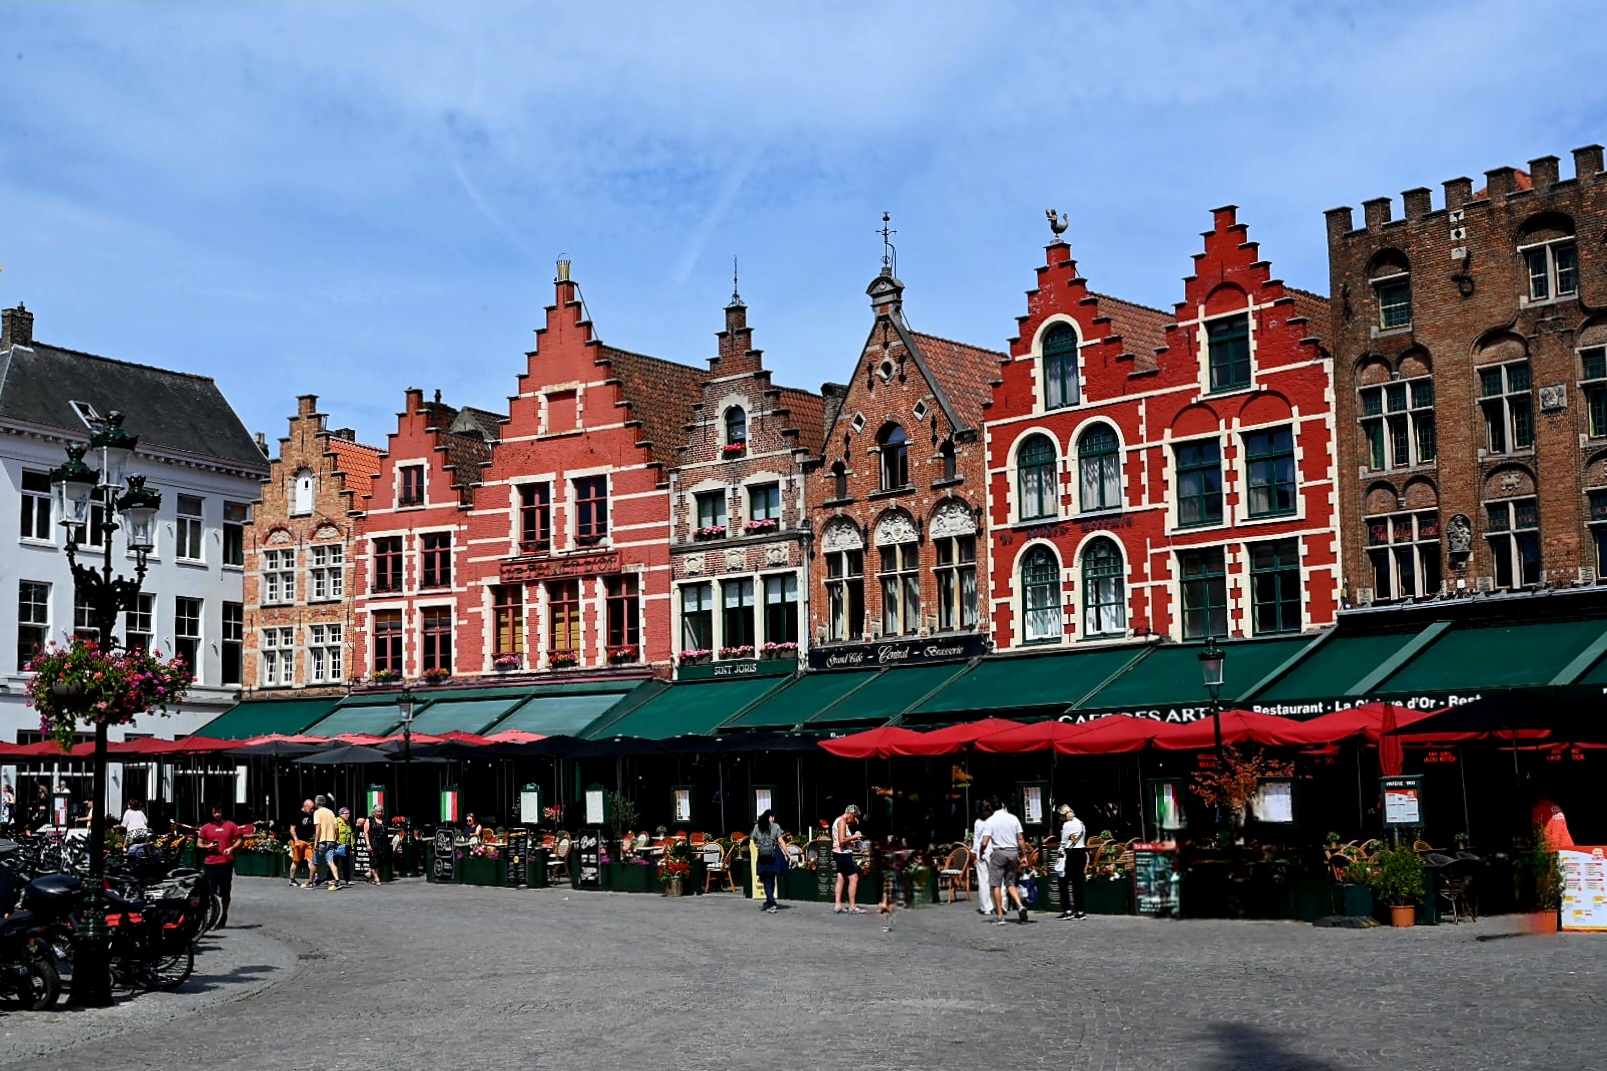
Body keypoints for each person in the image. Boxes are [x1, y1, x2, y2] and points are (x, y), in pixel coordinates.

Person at [979, 797, 1028, 925]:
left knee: (996, 885)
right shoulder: (1013, 818)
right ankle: (1020, 905)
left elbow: (984, 842)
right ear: (1002, 805)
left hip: (999, 852)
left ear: (990, 807)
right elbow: (1020, 838)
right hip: (1013, 852)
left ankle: (1000, 916)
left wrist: (981, 852)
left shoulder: (990, 821)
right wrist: (1024, 855)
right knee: (1010, 883)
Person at [198, 804, 241, 928]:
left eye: (219, 812)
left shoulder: (231, 825)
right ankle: (212, 916)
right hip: (210, 863)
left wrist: (231, 848)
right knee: (210, 892)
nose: (217, 815)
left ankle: (224, 914)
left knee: (225, 891)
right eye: (215, 812)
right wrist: (207, 846)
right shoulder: (206, 827)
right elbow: (199, 843)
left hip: (225, 862)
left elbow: (239, 840)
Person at [831, 804, 867, 915]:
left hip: (838, 853)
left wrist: (853, 843)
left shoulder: (838, 820)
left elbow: (841, 840)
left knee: (841, 878)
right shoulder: (842, 821)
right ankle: (852, 906)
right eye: (854, 816)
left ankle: (837, 905)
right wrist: (855, 836)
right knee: (854, 878)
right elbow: (842, 840)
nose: (854, 819)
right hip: (843, 854)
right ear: (851, 814)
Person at [1055, 804, 1087, 921]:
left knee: (1063, 882)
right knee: (1078, 883)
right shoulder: (1081, 823)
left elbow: (1063, 842)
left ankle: (1068, 910)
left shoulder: (1066, 825)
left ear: (1063, 815)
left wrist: (1059, 854)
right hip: (1081, 852)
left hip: (1070, 854)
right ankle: (1080, 911)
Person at [751, 809, 787, 913]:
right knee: (772, 879)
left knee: (766, 880)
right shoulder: (775, 826)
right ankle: (772, 903)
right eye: (773, 817)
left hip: (762, 856)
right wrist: (787, 852)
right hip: (774, 856)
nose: (773, 819)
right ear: (770, 817)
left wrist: (760, 845)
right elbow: (780, 840)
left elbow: (753, 838)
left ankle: (769, 901)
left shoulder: (757, 826)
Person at [310, 794, 342, 890]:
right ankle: (337, 881)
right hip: (331, 840)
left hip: (322, 841)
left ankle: (310, 882)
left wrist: (316, 842)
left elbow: (318, 828)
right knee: (330, 862)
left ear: (316, 803)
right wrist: (337, 838)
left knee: (315, 862)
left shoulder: (317, 813)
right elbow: (336, 827)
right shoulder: (331, 812)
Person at [972, 799, 994, 916]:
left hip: (982, 851)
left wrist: (975, 854)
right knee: (998, 879)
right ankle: (1001, 904)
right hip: (993, 850)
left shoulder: (978, 822)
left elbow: (976, 840)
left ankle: (986, 907)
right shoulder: (994, 820)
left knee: (983, 880)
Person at [288, 799, 316, 887]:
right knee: (296, 861)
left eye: (313, 808)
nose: (312, 810)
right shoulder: (297, 815)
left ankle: (313, 878)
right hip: (298, 841)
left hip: (307, 841)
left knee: (310, 860)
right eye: (311, 808)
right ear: (305, 806)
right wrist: (296, 840)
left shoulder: (310, 815)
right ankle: (292, 879)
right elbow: (292, 829)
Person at [363, 804, 389, 885]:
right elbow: (366, 832)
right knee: (374, 860)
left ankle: (370, 872)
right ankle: (376, 878)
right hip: (373, 842)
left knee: (380, 860)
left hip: (383, 843)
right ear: (374, 812)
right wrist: (368, 844)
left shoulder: (384, 819)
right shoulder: (370, 820)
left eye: (381, 811)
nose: (379, 813)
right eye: (378, 811)